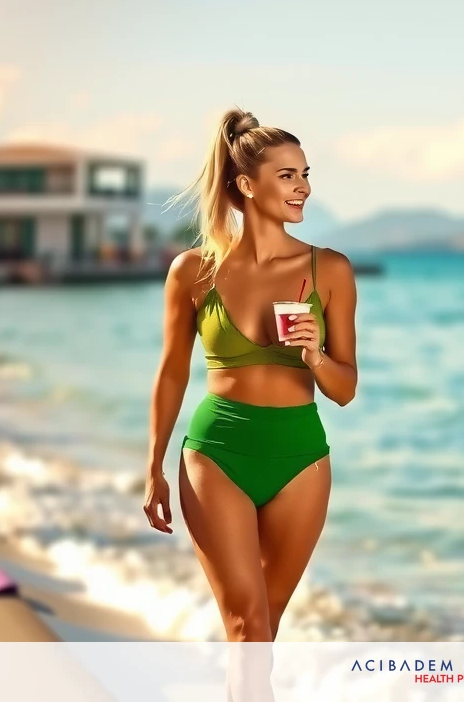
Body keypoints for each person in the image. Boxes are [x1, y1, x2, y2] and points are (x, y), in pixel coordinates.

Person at [145, 108, 359, 651]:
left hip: (301, 457)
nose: (304, 188)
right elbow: (171, 373)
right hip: (217, 453)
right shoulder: (194, 272)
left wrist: (314, 354)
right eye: (288, 176)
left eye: (306, 174)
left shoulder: (329, 270)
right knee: (246, 625)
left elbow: (345, 389)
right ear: (246, 184)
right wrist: (153, 467)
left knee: (266, 627)